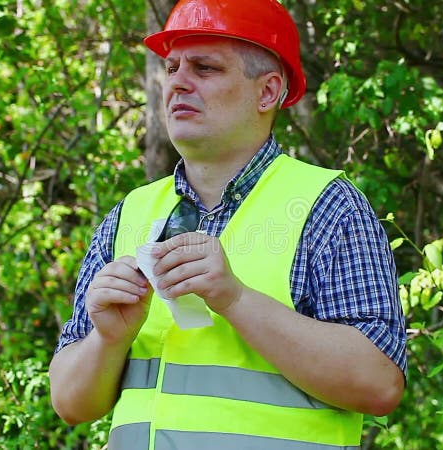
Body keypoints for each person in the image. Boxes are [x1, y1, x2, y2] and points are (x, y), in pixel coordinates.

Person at [49, 0, 407, 448]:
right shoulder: (130, 215)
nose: (177, 82)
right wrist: (108, 340)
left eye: (205, 68)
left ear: (268, 92)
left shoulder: (329, 207)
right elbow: (69, 402)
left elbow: (380, 383)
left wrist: (234, 299)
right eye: (172, 66)